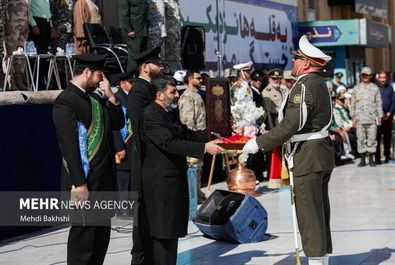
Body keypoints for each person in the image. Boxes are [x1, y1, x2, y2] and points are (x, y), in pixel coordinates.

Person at [243, 35, 334, 265]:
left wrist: (258, 143)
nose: (292, 63)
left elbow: (290, 125)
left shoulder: (302, 87)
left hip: (308, 155)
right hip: (319, 152)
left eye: (296, 59)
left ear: (305, 63)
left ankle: (315, 261)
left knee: (309, 212)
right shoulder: (319, 83)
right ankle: (320, 259)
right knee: (319, 210)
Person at [140, 74, 225, 265]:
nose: (177, 95)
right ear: (160, 95)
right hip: (160, 185)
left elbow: (186, 134)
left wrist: (213, 132)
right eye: (172, 92)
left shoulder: (167, 113)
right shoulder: (151, 115)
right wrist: (204, 149)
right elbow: (170, 143)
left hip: (172, 181)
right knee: (163, 232)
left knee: (170, 232)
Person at [52, 54, 124, 264]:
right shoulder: (66, 100)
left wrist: (111, 96)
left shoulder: (95, 99)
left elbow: (118, 123)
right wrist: (80, 184)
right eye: (99, 75)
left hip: (103, 183)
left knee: (100, 241)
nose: (101, 81)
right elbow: (69, 147)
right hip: (83, 185)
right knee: (83, 241)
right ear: (86, 72)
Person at [126, 46, 164, 265]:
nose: (160, 67)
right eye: (156, 64)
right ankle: (139, 258)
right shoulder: (139, 90)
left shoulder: (149, 88)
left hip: (152, 160)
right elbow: (143, 127)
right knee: (141, 214)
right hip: (145, 159)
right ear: (144, 67)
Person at [113, 69, 139, 219]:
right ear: (122, 84)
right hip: (123, 145)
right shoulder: (118, 98)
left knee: (130, 178)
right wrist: (119, 148)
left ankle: (129, 208)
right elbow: (115, 128)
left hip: (132, 144)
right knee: (123, 179)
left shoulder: (130, 98)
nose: (133, 84)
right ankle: (122, 210)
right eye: (131, 82)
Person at [178, 70, 207, 203]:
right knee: (192, 167)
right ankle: (192, 196)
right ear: (190, 80)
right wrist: (191, 140)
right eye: (198, 78)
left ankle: (197, 192)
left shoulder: (196, 95)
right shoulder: (188, 97)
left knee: (198, 168)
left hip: (199, 136)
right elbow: (187, 121)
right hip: (192, 138)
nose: (201, 80)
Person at [350, 67, 383, 167]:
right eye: (363, 75)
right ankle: (363, 160)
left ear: (370, 76)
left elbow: (378, 102)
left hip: (372, 118)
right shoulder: (356, 88)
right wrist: (353, 117)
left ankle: (371, 159)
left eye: (367, 75)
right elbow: (353, 103)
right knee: (360, 139)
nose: (365, 77)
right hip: (360, 118)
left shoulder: (375, 87)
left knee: (372, 138)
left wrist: (380, 116)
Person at [28, 0, 58, 89]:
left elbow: (47, 11)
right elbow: (27, 9)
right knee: (35, 57)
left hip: (46, 23)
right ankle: (36, 85)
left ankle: (42, 84)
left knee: (43, 56)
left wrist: (51, 26)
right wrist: (33, 24)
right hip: (37, 22)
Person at [3, 0, 29, 91]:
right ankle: (11, 82)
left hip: (24, 24)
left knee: (20, 55)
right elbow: (3, 5)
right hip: (12, 23)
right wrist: (7, 21)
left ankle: (19, 81)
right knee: (10, 53)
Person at [119, 0, 148, 71]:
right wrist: (130, 30)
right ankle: (131, 78)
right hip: (133, 30)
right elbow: (124, 13)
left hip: (142, 29)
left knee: (142, 55)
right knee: (134, 56)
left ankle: (140, 76)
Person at [375, 70, 395, 163]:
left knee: (387, 138)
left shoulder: (390, 88)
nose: (383, 79)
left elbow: (394, 101)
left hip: (388, 117)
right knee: (377, 138)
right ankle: (377, 158)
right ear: (378, 78)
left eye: (384, 77)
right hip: (378, 118)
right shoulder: (375, 88)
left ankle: (387, 157)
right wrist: (380, 114)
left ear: (386, 78)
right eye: (381, 77)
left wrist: (390, 112)